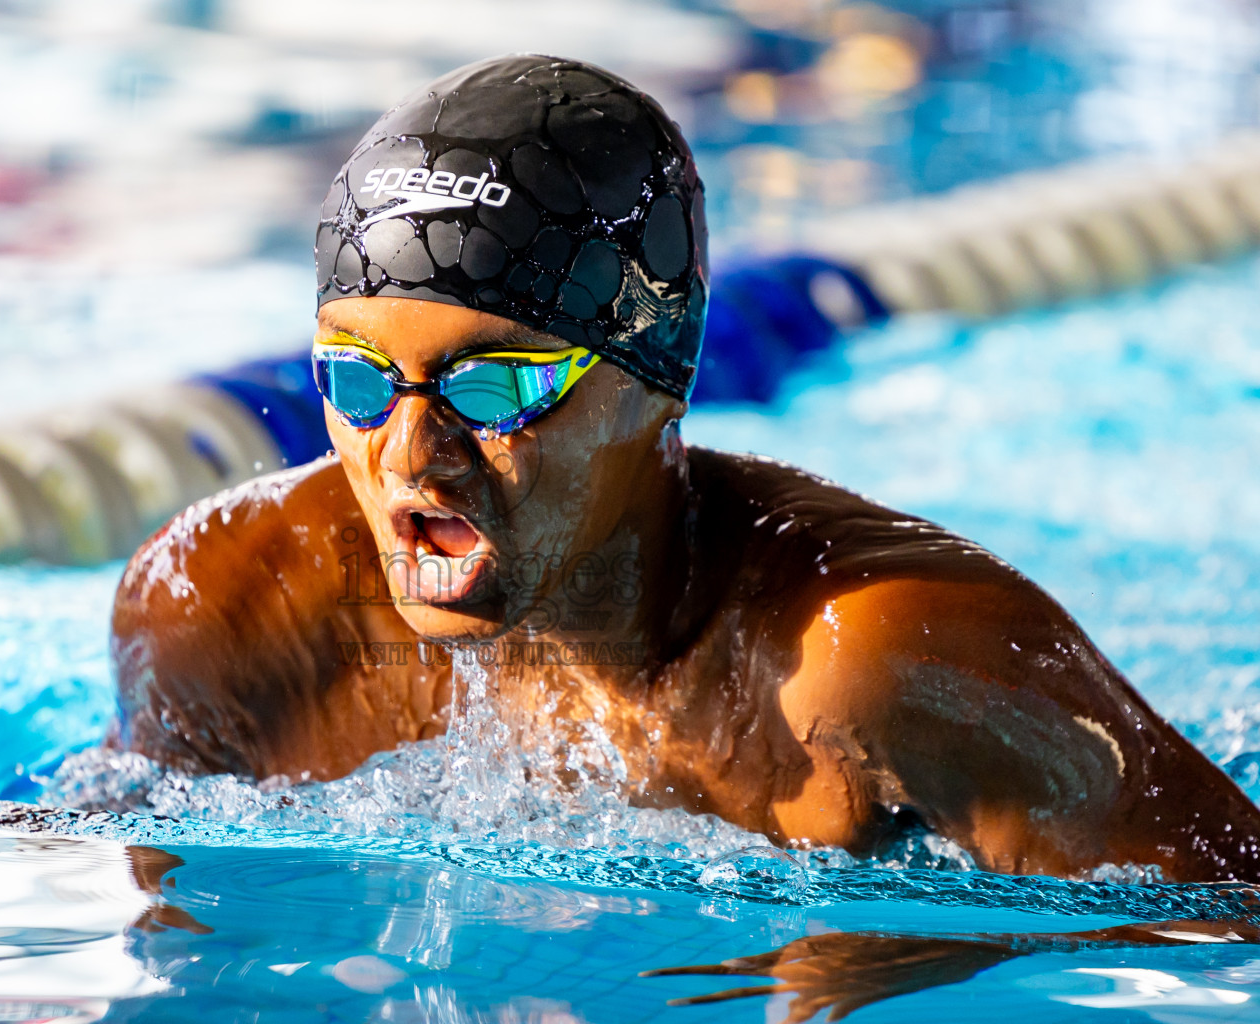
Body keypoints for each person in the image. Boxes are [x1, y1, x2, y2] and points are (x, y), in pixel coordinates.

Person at [107, 55, 1260, 888]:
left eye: (496, 385)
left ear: (661, 375)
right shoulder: (226, 610)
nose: (410, 453)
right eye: (357, 382)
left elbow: (1227, 926)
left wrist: (943, 933)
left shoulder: (876, 664)